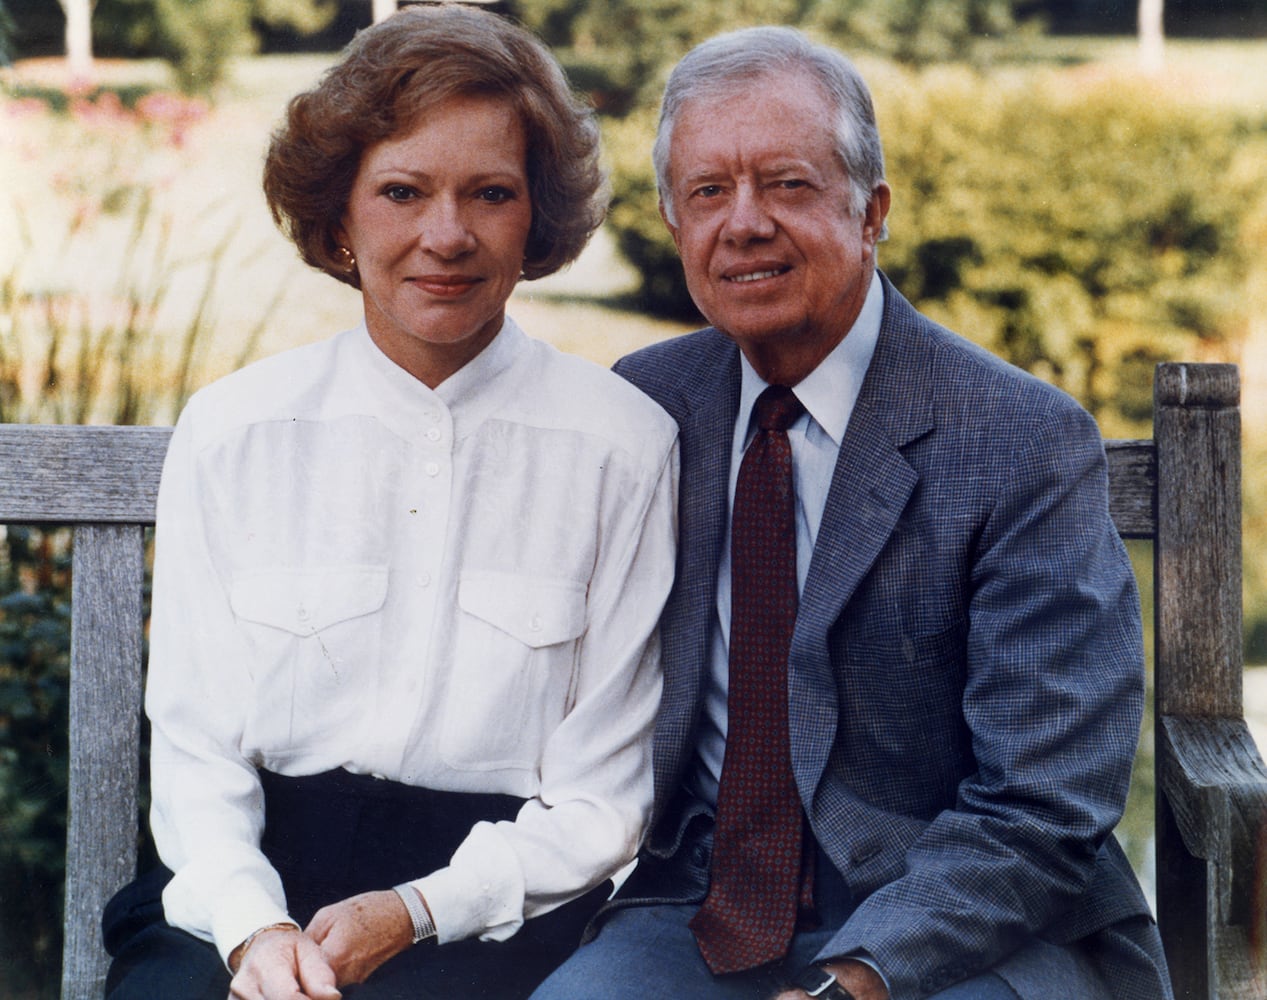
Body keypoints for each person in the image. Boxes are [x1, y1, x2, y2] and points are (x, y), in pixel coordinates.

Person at [531, 25, 1173, 1000]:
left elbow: (1044, 797)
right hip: (695, 910)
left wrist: (861, 977)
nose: (741, 223)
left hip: (966, 922)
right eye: (707, 192)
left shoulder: (1018, 438)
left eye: (785, 183)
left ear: (870, 212)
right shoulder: (647, 407)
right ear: (673, 227)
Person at [101, 7, 678, 1000]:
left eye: (489, 194)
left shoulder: (620, 447)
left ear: (534, 218)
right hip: (244, 878)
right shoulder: (237, 430)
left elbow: (600, 800)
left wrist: (416, 910)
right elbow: (196, 746)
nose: (444, 236)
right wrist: (254, 928)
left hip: (495, 905)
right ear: (337, 219)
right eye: (402, 192)